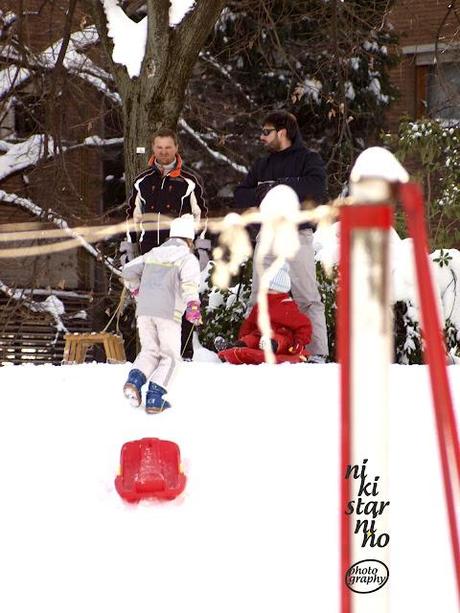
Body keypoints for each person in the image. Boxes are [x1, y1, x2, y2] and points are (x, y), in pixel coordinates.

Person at [234, 110, 329, 363]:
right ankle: (253, 346)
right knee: (259, 294)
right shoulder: (262, 165)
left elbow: (317, 190)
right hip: (268, 235)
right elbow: (241, 194)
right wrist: (263, 193)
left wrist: (279, 186)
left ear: (282, 132)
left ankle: (317, 352)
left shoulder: (309, 159)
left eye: (266, 132)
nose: (261, 137)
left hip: (297, 234)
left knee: (306, 295)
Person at [122, 127, 207, 360]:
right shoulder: (142, 181)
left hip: (179, 250)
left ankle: (185, 353)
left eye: (168, 147)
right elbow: (133, 215)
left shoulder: (188, 181)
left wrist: (201, 248)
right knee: (152, 302)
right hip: (150, 248)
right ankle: (153, 353)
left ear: (176, 148)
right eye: (159, 147)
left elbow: (201, 216)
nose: (164, 152)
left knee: (179, 298)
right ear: (153, 149)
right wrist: (129, 247)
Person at [121, 215, 202, 413]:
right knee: (171, 358)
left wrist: (137, 290)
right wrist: (193, 305)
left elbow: (128, 270)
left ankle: (134, 381)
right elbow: (190, 283)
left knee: (149, 351)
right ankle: (155, 398)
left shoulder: (153, 253)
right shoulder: (187, 258)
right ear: (189, 240)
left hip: (145, 311)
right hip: (168, 313)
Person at [216, 263, 312, 365]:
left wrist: (299, 342)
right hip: (260, 335)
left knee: (280, 341)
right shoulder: (261, 304)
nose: (267, 292)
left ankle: (271, 346)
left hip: (282, 336)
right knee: (251, 339)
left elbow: (304, 326)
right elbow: (250, 323)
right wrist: (243, 338)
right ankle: (234, 346)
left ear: (282, 291)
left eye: (271, 290)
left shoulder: (287, 306)